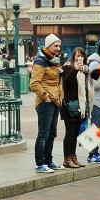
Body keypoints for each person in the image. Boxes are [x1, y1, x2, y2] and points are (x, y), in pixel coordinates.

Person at [30, 34, 64, 172]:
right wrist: (46, 97)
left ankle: (48, 161)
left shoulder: (54, 61)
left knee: (52, 133)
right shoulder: (40, 61)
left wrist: (59, 97)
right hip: (45, 102)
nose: (58, 48)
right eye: (55, 45)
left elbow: (56, 82)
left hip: (55, 101)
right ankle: (40, 163)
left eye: (59, 46)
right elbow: (34, 83)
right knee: (43, 133)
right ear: (48, 46)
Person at [60, 47, 88, 168]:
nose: (79, 58)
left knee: (76, 132)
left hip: (79, 105)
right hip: (69, 105)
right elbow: (66, 83)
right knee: (70, 132)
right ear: (73, 56)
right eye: (77, 55)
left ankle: (73, 156)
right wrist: (75, 70)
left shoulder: (84, 71)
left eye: (81, 55)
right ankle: (67, 158)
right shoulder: (67, 67)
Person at [85, 43, 100, 163]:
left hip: (98, 100)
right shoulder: (95, 64)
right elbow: (93, 84)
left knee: (96, 126)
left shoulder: (98, 63)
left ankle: (95, 151)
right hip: (95, 100)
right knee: (94, 127)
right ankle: (92, 154)